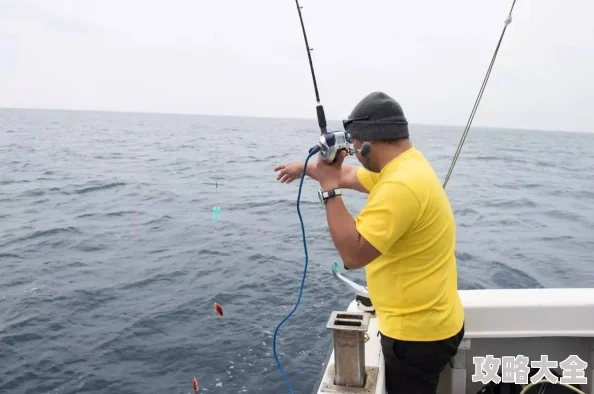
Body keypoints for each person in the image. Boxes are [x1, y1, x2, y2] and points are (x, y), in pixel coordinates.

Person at [274, 92, 465, 394]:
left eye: (352, 147)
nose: (350, 153)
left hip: (416, 337)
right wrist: (305, 168)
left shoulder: (400, 186)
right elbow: (346, 174)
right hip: (435, 321)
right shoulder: (406, 166)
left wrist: (328, 190)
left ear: (367, 144)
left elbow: (353, 253)